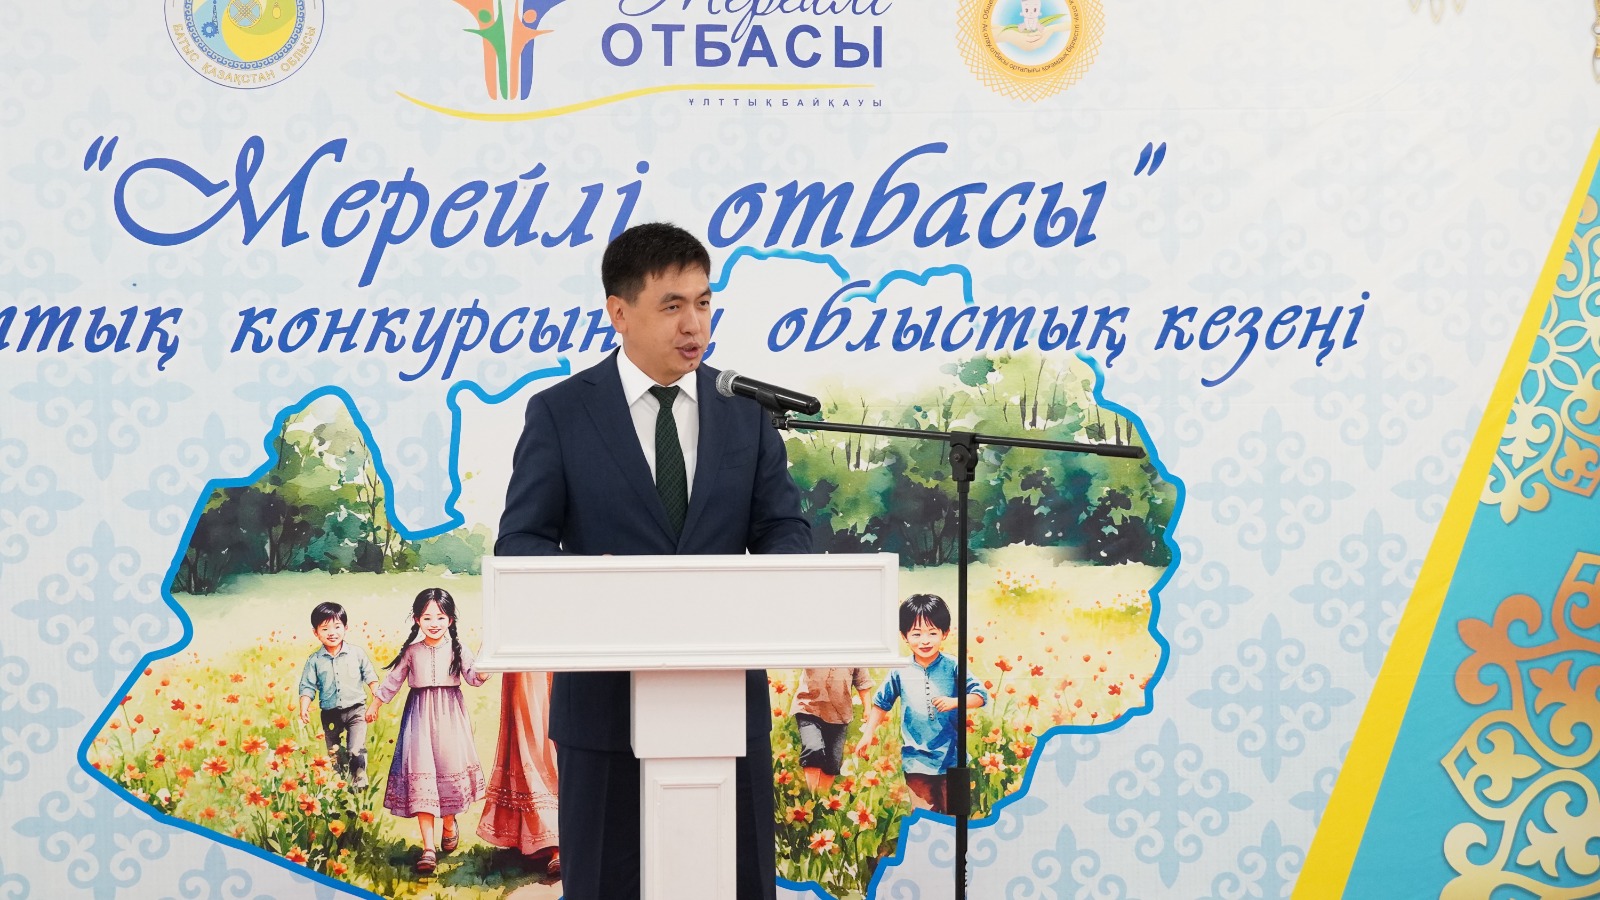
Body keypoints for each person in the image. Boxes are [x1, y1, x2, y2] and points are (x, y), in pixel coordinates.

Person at [497, 222, 811, 900]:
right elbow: (519, 543)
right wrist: (603, 583)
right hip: (602, 715)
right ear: (619, 312)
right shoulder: (561, 413)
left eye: (703, 303)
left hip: (726, 711)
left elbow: (785, 529)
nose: (694, 324)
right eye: (672, 306)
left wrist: (771, 582)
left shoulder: (746, 414)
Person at [367, 587, 492, 874]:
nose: (434, 623)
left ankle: (449, 823)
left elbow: (475, 678)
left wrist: (487, 656)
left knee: (448, 773)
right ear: (416, 620)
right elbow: (393, 680)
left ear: (450, 620)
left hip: (450, 717)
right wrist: (375, 705)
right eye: (427, 617)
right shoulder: (412, 652)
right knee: (420, 775)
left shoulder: (459, 649)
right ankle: (428, 848)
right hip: (419, 717)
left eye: (440, 617)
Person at [854, 594, 988, 814]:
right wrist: (867, 734)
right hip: (916, 761)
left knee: (956, 818)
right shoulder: (900, 670)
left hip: (954, 759)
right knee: (925, 820)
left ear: (945, 633)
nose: (924, 641)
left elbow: (980, 696)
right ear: (904, 636)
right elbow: (881, 704)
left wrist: (955, 702)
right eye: (916, 634)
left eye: (932, 633)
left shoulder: (953, 666)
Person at [476, 671, 561, 875]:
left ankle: (558, 837)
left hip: (562, 667)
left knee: (554, 734)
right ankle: (551, 842)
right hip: (527, 671)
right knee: (532, 739)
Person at [296, 602, 379, 790]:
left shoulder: (356, 653)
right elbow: (307, 686)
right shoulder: (315, 660)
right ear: (316, 633)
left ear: (346, 628)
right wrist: (304, 707)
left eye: (337, 627)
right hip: (330, 713)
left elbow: (370, 676)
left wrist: (375, 693)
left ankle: (359, 781)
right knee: (335, 752)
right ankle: (339, 783)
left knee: (356, 749)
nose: (332, 633)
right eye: (325, 629)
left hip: (356, 710)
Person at [792, 668, 873, 794]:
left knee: (832, 762)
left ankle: (821, 797)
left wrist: (867, 709)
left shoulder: (855, 655)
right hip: (808, 707)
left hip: (839, 713)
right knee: (813, 748)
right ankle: (813, 794)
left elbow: (862, 681)